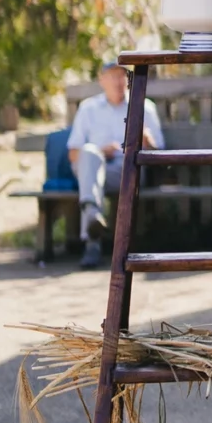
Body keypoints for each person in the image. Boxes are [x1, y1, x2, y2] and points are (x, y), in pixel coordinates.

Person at [69, 62, 164, 269]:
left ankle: (92, 229)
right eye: (112, 76)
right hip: (95, 170)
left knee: (116, 167)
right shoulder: (88, 108)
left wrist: (146, 140)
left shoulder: (144, 107)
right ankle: (93, 225)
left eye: (122, 75)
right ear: (101, 80)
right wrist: (101, 151)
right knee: (90, 154)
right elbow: (74, 153)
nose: (117, 81)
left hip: (130, 169)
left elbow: (160, 155)